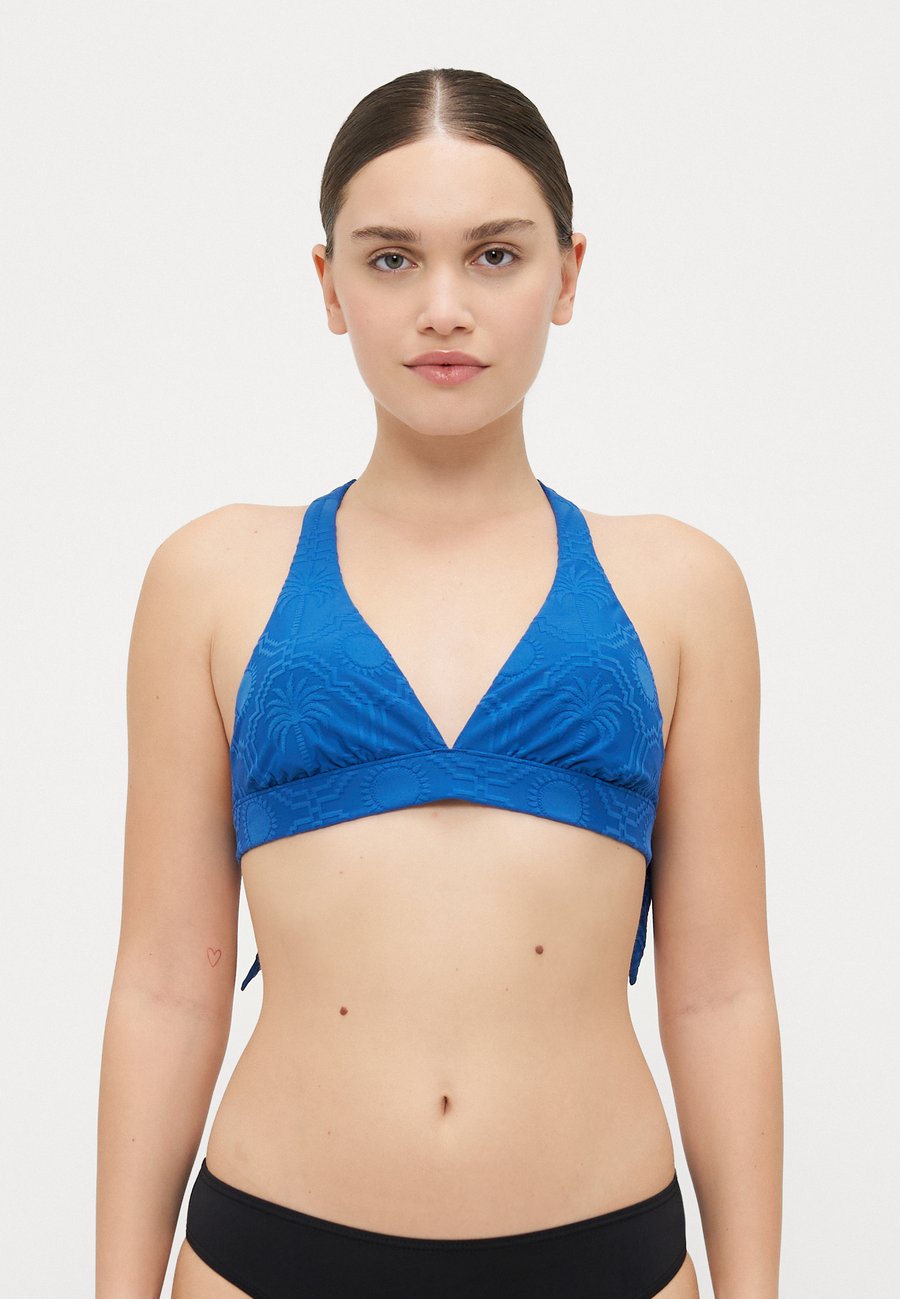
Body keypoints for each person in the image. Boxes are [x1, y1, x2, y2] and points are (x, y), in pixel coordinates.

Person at [96, 67, 783, 1299]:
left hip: (606, 1258)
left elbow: (722, 989)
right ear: (330, 285)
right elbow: (163, 984)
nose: (445, 309)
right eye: (393, 259)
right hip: (268, 1256)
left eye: (496, 256)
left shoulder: (681, 589)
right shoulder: (212, 580)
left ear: (568, 274)